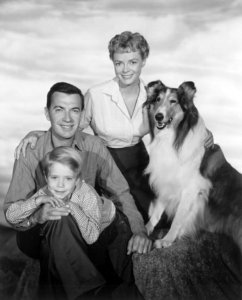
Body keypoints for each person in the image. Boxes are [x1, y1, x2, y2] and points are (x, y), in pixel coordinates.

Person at [15, 31, 213, 223]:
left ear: (143, 61)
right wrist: (37, 133)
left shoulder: (153, 96)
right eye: (119, 63)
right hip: (104, 160)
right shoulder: (96, 95)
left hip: (138, 161)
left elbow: (179, 116)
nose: (125, 69)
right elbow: (70, 126)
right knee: (110, 219)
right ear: (113, 63)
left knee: (152, 217)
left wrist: (205, 134)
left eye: (132, 62)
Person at [4, 82, 150, 300]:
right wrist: (37, 214)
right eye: (59, 109)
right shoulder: (30, 151)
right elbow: (11, 209)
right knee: (59, 217)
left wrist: (139, 230)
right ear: (47, 113)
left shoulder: (93, 146)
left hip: (85, 225)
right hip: (36, 230)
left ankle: (124, 291)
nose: (67, 118)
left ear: (82, 114)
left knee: (117, 222)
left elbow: (120, 192)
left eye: (74, 110)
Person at [6, 146, 118, 245]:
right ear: (46, 177)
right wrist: (37, 200)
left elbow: (92, 237)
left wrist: (72, 207)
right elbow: (11, 217)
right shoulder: (47, 191)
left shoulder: (87, 195)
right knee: (58, 219)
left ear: (77, 180)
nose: (60, 185)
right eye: (54, 177)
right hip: (81, 230)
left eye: (68, 178)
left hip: (109, 226)